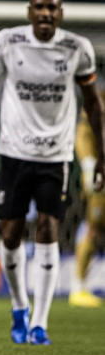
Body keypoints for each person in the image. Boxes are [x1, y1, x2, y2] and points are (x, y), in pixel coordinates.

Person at [0, 0, 105, 345]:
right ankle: (18, 306)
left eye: (52, 8)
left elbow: (93, 104)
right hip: (14, 153)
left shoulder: (78, 49)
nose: (45, 13)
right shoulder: (7, 41)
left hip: (56, 158)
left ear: (61, 14)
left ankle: (40, 323)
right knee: (11, 234)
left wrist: (101, 156)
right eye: (40, 7)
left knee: (48, 229)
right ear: (30, 11)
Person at [71, 104, 105, 307]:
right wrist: (88, 165)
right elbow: (82, 135)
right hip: (101, 180)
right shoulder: (98, 100)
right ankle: (78, 288)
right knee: (93, 230)